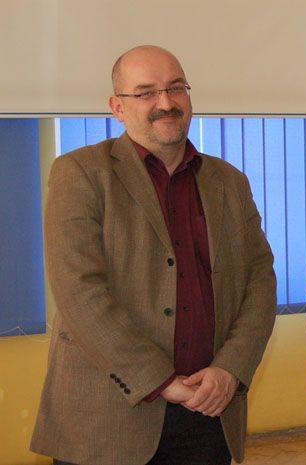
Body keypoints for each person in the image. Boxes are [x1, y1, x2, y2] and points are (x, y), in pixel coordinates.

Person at [30, 45, 277, 465]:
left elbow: (260, 279)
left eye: (176, 88)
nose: (165, 102)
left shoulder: (229, 181)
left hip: (208, 412)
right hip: (107, 419)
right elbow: (78, 291)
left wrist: (231, 369)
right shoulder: (81, 173)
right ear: (117, 107)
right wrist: (160, 380)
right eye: (145, 92)